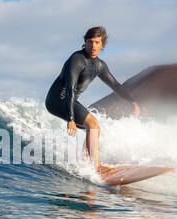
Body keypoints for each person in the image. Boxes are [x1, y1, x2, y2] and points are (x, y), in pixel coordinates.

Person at [45, 26, 141, 174]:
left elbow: (115, 85)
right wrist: (71, 119)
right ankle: (95, 166)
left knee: (95, 129)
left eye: (97, 42)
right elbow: (70, 89)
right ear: (85, 42)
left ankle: (85, 163)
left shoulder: (99, 65)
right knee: (93, 123)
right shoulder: (77, 59)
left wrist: (132, 101)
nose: (93, 46)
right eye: (90, 42)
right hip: (57, 100)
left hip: (69, 101)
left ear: (102, 44)